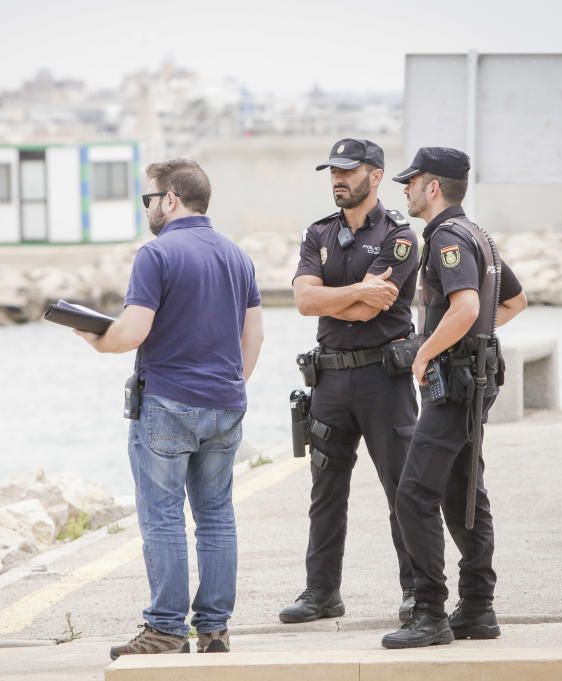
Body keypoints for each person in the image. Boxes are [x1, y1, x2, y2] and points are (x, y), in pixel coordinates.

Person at [75, 159, 264, 659]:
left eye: (149, 199)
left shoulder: (155, 255)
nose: (148, 209)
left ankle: (164, 628)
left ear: (171, 200)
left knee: (162, 518)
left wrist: (98, 340)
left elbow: (132, 331)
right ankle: (215, 628)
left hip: (167, 405)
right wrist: (229, 387)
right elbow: (254, 335)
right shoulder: (237, 257)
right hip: (226, 404)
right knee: (217, 517)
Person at [381, 147, 527, 649]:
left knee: (414, 495)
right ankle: (478, 609)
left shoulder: (447, 238)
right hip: (474, 382)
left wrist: (428, 353)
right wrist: (472, 343)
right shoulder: (478, 234)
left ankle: (429, 612)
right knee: (464, 492)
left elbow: (466, 306)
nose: (405, 189)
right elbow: (513, 301)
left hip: (453, 386)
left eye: (412, 181)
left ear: (434, 186)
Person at [281, 138, 420, 626]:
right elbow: (303, 301)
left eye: (348, 170)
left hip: (385, 379)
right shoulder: (318, 233)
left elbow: (373, 306)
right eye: (332, 171)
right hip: (331, 379)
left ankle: (417, 592)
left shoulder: (399, 236)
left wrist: (335, 296)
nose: (337, 179)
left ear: (375, 175)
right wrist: (357, 289)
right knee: (325, 489)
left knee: (401, 488)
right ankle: (321, 594)